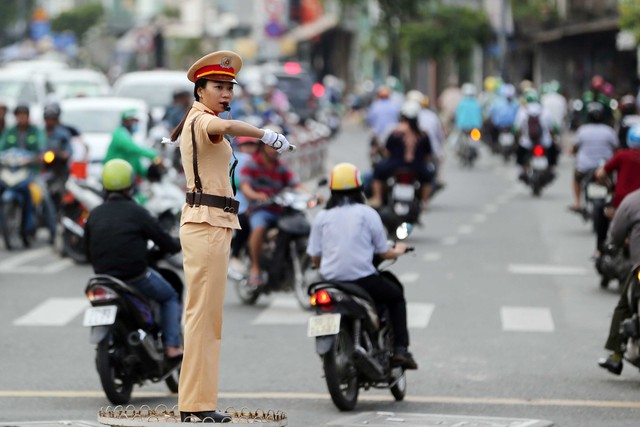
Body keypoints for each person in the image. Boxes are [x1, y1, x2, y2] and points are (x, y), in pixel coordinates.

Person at [171, 50, 293, 423]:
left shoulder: (198, 118)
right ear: (200, 90)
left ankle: (199, 403)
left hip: (214, 223)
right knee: (202, 319)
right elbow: (224, 129)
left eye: (229, 88)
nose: (225, 94)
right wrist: (266, 135)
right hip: (206, 223)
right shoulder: (203, 121)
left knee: (208, 319)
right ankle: (195, 405)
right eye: (218, 87)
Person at [307, 162, 418, 370]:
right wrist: (400, 250)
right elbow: (384, 251)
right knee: (395, 295)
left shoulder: (322, 217)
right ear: (360, 189)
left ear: (331, 190)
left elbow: (315, 258)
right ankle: (401, 350)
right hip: (363, 281)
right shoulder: (368, 214)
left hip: (330, 282)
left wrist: (328, 267)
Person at [84, 159, 183, 359]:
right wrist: (179, 243)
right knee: (169, 296)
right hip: (135, 277)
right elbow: (164, 241)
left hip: (103, 279)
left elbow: (87, 251)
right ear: (131, 184)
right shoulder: (138, 212)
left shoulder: (94, 215)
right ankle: (172, 345)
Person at [239, 138, 303, 287]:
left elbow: (296, 185)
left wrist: (312, 195)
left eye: (278, 147)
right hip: (260, 210)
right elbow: (245, 186)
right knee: (259, 228)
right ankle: (255, 267)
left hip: (281, 210)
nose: (275, 151)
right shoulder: (252, 165)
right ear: (262, 146)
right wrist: (256, 195)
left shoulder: (281, 167)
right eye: (272, 147)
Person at [597, 187, 640, 375]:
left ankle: (616, 356)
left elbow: (615, 234)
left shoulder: (632, 200)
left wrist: (616, 243)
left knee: (624, 305)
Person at [370, 100, 434, 210]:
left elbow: (387, 152)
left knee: (377, 171)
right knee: (430, 175)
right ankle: (425, 201)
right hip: (418, 167)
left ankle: (378, 198)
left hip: (394, 165)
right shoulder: (423, 134)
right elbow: (428, 155)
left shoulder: (395, 132)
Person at [592, 125, 640, 258]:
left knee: (601, 213)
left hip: (620, 205)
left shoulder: (622, 155)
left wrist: (606, 183)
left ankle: (599, 250)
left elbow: (600, 173)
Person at [0, 104, 47, 237]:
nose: (21, 118)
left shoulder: (36, 131)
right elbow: (2, 147)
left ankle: (53, 229)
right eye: (19, 115)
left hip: (31, 171)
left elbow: (42, 146)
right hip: (11, 171)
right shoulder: (10, 131)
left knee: (45, 197)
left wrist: (40, 155)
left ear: (28, 116)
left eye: (24, 115)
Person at [568, 102, 618, 214]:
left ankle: (577, 202)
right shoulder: (609, 131)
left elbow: (575, 147)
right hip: (605, 167)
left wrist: (572, 151)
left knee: (576, 179)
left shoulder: (582, 130)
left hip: (585, 167)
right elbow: (616, 148)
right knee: (612, 183)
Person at [229, 135, 260, 274]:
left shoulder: (258, 160)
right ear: (240, 146)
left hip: (257, 200)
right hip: (240, 201)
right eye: (246, 145)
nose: (249, 148)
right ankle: (235, 255)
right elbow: (235, 181)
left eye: (251, 145)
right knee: (244, 223)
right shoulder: (238, 158)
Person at [513, 89, 558, 181]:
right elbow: (554, 128)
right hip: (545, 142)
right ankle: (551, 169)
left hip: (527, 142)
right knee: (553, 152)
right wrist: (554, 138)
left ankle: (521, 171)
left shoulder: (522, 111)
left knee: (519, 155)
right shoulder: (546, 111)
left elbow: (516, 128)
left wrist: (516, 139)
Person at [103, 109, 160, 180]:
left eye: (136, 121)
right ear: (126, 121)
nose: (135, 124)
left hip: (126, 176)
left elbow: (135, 158)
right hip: (115, 176)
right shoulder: (119, 134)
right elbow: (134, 148)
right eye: (133, 121)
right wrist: (154, 156)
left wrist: (147, 173)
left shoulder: (128, 135)